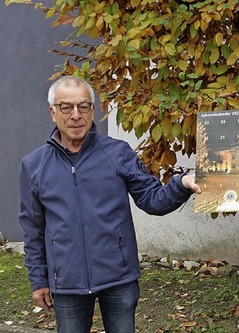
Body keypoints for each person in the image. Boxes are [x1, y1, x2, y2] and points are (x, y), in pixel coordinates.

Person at [18, 75, 202, 333]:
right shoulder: (34, 165)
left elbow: (153, 200)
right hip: (67, 283)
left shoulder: (117, 153)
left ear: (93, 110)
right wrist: (39, 280)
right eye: (66, 107)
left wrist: (181, 184)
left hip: (119, 278)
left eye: (83, 106)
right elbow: (33, 228)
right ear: (53, 112)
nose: (75, 115)